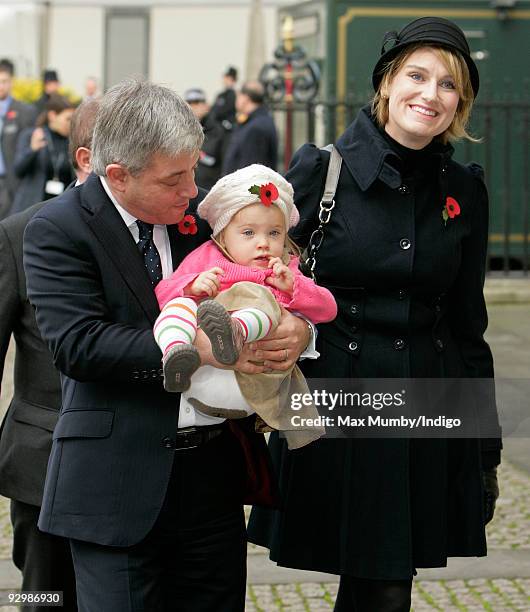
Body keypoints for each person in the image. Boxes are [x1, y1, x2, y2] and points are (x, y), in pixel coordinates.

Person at [23, 78, 311, 612]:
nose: (192, 190)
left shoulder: (198, 221)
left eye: (194, 170)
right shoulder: (56, 228)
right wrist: (201, 348)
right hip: (114, 482)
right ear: (117, 176)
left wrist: (300, 331)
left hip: (212, 478)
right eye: (174, 179)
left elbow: (276, 277)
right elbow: (80, 346)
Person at [248, 16, 502, 611]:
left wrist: (483, 448)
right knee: (375, 582)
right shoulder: (320, 171)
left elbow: (469, 324)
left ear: (460, 102)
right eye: (417, 75)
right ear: (387, 82)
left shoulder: (465, 189)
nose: (430, 95)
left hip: (428, 400)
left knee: (387, 585)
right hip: (338, 398)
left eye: (448, 85)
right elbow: (254, 268)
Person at [153, 164, 337, 447]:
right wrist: (191, 286)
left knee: (261, 304)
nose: (263, 244)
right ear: (222, 235)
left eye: (274, 233)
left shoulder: (284, 269)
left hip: (251, 382)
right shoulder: (208, 258)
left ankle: (235, 331)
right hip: (198, 380)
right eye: (249, 233)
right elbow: (162, 293)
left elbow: (328, 309)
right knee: (179, 307)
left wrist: (294, 288)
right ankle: (176, 352)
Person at [0, 99, 99, 612]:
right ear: (86, 159)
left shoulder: (171, 231)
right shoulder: (18, 233)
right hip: (43, 460)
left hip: (130, 463)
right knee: (43, 594)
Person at [10, 93, 76, 216]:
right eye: (67, 119)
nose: (71, 124)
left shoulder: (72, 141)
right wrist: (32, 150)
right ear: (52, 116)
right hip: (31, 208)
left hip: (60, 210)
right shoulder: (32, 135)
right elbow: (18, 170)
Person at [0, 58, 37, 219]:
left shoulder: (24, 111)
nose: (0, 85)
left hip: (13, 181)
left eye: (4, 81)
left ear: (11, 82)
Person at [222, 80, 278, 174]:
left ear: (245, 98)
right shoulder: (255, 121)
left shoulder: (256, 128)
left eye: (239, 95)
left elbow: (250, 171)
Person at [184, 87, 225, 190]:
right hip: (186, 187)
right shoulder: (180, 128)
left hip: (209, 188)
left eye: (197, 102)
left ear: (205, 105)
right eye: (189, 102)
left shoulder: (218, 130)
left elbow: (216, 160)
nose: (193, 106)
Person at [212, 65, 238, 130]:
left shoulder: (234, 95)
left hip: (227, 128)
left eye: (229, 78)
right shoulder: (221, 95)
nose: (225, 80)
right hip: (217, 127)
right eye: (225, 77)